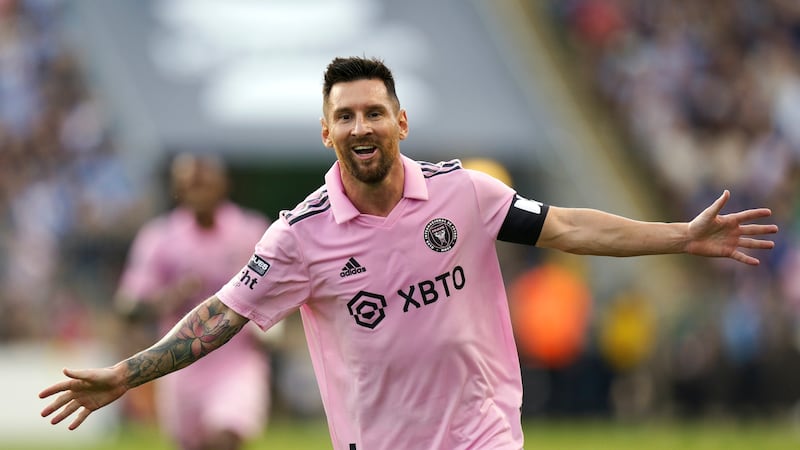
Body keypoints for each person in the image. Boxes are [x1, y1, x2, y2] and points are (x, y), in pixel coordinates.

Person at [40, 57, 778, 450]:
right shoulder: (298, 236)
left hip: (483, 428)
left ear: (400, 119)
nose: (361, 126)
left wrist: (678, 236)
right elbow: (223, 313)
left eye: (373, 111)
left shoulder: (467, 195)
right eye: (344, 116)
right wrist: (125, 374)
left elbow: (567, 226)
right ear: (326, 134)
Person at [111, 153, 272, 450]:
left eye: (204, 182)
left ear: (223, 185)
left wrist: (276, 326)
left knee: (224, 437)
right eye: (189, 184)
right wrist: (167, 299)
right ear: (178, 189)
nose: (197, 191)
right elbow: (128, 306)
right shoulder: (160, 238)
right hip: (180, 363)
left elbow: (278, 287)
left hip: (236, 361)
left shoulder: (249, 231)